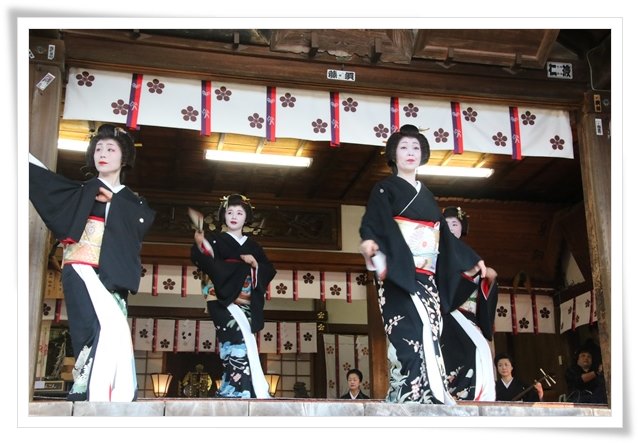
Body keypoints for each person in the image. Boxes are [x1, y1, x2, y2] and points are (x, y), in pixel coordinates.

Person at [358, 124, 489, 405]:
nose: (410, 153)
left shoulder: (427, 196)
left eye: (415, 148)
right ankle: (411, 393)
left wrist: (469, 259)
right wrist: (369, 240)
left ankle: (426, 393)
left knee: (430, 332)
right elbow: (374, 220)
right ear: (393, 154)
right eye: (404, 147)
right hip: (399, 274)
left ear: (423, 154)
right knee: (408, 333)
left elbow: (444, 238)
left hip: (426, 278)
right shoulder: (384, 189)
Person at [29, 124, 156, 401]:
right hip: (80, 268)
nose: (103, 153)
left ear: (124, 159)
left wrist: (113, 201)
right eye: (98, 148)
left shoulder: (133, 201)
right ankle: (86, 386)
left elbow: (143, 223)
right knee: (86, 328)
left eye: (111, 149)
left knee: (112, 330)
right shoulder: (80, 190)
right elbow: (43, 181)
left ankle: (108, 391)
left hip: (112, 272)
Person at [191, 194, 277, 398]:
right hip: (221, 299)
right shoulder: (215, 238)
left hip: (245, 302)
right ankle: (239, 389)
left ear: (246, 217)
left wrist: (254, 263)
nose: (234, 216)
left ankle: (234, 387)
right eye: (229, 212)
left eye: (239, 213)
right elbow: (202, 258)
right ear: (223, 215)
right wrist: (202, 245)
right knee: (233, 340)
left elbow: (269, 270)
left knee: (240, 343)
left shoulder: (254, 246)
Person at [440, 206, 498, 401]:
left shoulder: (468, 253)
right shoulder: (437, 252)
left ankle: (472, 396)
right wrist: (470, 275)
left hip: (469, 317)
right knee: (470, 352)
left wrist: (487, 279)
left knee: (480, 352)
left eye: (455, 224)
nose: (450, 228)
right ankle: (457, 394)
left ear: (462, 228)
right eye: (446, 224)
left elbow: (481, 279)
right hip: (449, 313)